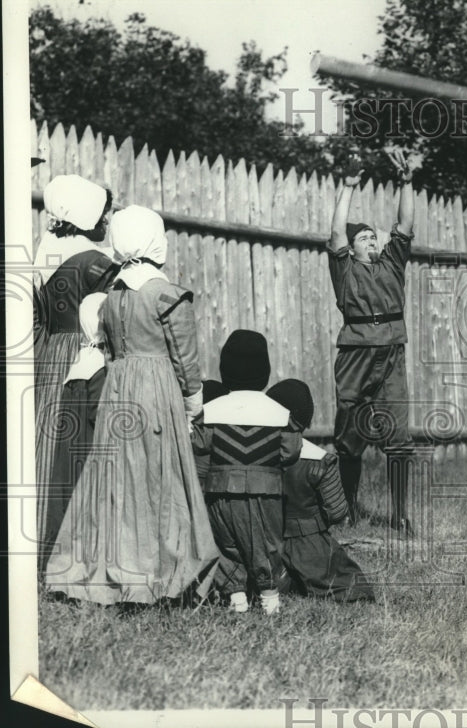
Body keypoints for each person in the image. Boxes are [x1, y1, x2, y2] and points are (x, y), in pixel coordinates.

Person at [46, 205, 218, 604]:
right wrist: (194, 404)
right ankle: (157, 572)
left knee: (118, 479)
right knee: (160, 479)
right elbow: (185, 359)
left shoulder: (112, 297)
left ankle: (114, 564)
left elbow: (108, 349)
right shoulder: (167, 295)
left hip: (118, 388)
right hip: (155, 389)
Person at [327, 149, 418, 536]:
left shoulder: (392, 263)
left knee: (399, 438)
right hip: (356, 354)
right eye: (363, 238)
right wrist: (347, 188)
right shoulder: (344, 269)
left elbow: (405, 223)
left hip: (392, 352)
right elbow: (335, 233)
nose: (372, 241)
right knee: (350, 439)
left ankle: (399, 515)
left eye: (373, 237)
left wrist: (406, 181)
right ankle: (346, 510)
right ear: (352, 247)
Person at [33, 175, 118, 548]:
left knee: (47, 439)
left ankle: (39, 534)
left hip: (50, 350)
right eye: (103, 214)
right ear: (86, 216)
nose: (107, 221)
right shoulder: (96, 263)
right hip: (85, 352)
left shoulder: (46, 250)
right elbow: (110, 319)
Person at [192, 330, 300, 615]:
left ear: (225, 372)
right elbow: (290, 452)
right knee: (266, 544)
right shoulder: (279, 413)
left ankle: (236, 597)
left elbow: (200, 443)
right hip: (266, 491)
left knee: (227, 544)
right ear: (264, 373)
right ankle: (269, 598)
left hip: (220, 489)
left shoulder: (211, 410)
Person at [267, 379, 375, 603]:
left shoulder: (256, 455)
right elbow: (337, 512)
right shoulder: (320, 460)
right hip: (309, 543)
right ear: (305, 420)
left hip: (265, 543)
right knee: (354, 587)